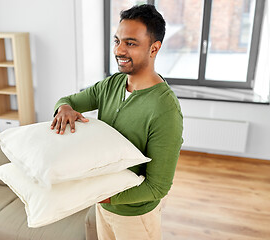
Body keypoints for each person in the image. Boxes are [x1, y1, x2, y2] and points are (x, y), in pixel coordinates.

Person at [50, 4, 183, 240]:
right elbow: (68, 100)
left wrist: (105, 196)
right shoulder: (112, 84)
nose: (119, 50)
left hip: (135, 217)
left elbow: (158, 187)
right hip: (103, 207)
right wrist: (64, 109)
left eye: (130, 43)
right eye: (117, 41)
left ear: (154, 48)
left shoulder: (165, 109)